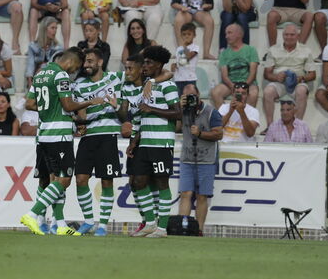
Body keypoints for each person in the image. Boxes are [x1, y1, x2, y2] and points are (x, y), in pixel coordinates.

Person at [20, 48, 106, 236]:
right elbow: (68, 105)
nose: (75, 71)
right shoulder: (61, 76)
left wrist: (51, 109)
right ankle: (32, 214)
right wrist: (91, 102)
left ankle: (59, 225)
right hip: (59, 135)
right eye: (77, 67)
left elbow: (29, 104)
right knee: (64, 179)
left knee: (54, 179)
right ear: (73, 61)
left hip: (44, 134)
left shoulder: (40, 74)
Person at [127, 45, 180, 237]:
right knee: (138, 181)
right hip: (145, 143)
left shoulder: (168, 86)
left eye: (148, 62)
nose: (144, 66)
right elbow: (142, 116)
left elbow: (178, 113)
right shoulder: (147, 86)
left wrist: (153, 109)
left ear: (159, 64)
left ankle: (162, 228)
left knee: (161, 183)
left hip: (162, 143)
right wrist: (134, 141)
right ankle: (150, 223)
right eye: (144, 62)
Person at [71, 47, 123, 236]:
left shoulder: (116, 78)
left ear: (100, 62)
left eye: (90, 61)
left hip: (108, 136)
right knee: (80, 179)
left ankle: (102, 225)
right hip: (88, 137)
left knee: (107, 181)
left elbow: (139, 75)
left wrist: (150, 83)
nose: (86, 65)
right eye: (85, 61)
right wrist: (80, 123)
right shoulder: (79, 86)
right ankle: (88, 221)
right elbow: (80, 114)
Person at [177, 82, 222, 232]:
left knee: (202, 196)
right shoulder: (181, 110)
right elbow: (175, 127)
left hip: (207, 160)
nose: (190, 99)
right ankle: (183, 228)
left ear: (199, 95)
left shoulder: (211, 112)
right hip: (187, 159)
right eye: (186, 96)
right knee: (185, 193)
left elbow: (219, 134)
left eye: (192, 95)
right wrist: (178, 108)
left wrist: (201, 134)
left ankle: (199, 230)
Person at [261, 23, 315, 127]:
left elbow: (312, 75)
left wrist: (300, 78)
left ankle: (298, 126)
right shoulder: (273, 50)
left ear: (297, 36)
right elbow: (266, 74)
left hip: (298, 82)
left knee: (302, 91)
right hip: (279, 82)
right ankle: (270, 126)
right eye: (286, 34)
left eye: (292, 35)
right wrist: (276, 77)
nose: (289, 37)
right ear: (282, 35)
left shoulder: (306, 50)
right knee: (268, 91)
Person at [212, 23, 260, 108]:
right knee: (215, 92)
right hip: (230, 84)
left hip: (248, 83)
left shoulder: (251, 50)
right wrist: (234, 87)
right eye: (226, 34)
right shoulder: (224, 53)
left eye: (229, 33)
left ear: (239, 34)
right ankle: (225, 115)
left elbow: (253, 73)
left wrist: (243, 87)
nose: (226, 36)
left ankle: (247, 116)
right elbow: (224, 76)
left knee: (253, 93)